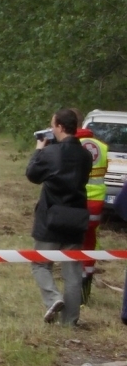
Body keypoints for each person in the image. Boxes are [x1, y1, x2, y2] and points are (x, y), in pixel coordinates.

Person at [26, 108, 93, 326]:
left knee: (40, 264)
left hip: (51, 219)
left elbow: (32, 175)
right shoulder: (85, 155)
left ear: (61, 127)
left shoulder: (50, 153)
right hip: (76, 218)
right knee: (72, 272)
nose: (51, 129)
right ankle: (70, 321)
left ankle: (53, 298)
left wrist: (39, 150)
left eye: (53, 125)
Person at [74, 124, 107, 302]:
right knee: (90, 241)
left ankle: (74, 289)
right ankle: (85, 291)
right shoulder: (102, 146)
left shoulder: (73, 145)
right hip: (97, 203)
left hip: (77, 200)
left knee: (73, 243)